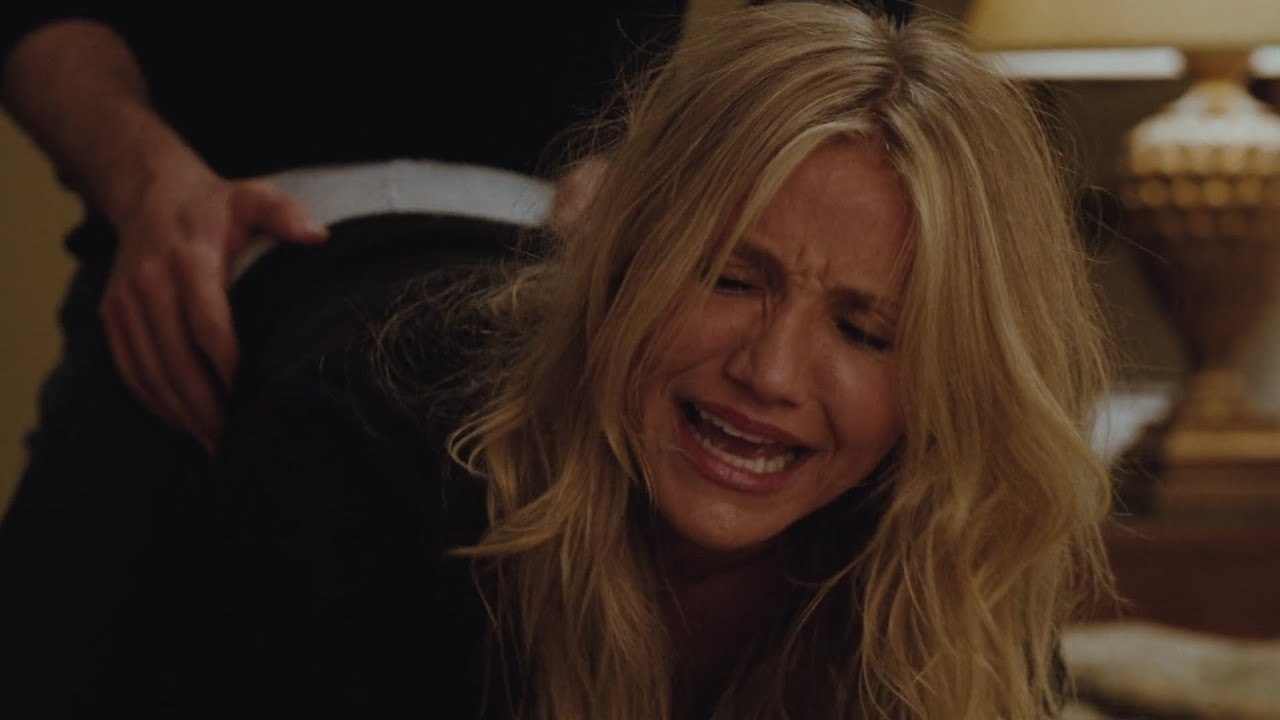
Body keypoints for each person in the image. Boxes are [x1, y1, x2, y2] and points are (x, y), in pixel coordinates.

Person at [203, 2, 1114, 718]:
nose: (770, 373)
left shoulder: (962, 565)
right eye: (729, 279)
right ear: (624, 265)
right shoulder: (364, 465)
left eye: (865, 332)